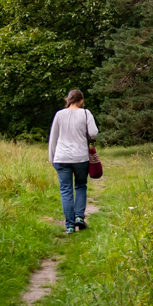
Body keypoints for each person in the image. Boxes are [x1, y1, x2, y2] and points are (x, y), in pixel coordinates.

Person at [48, 89, 98, 234]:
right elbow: (94, 133)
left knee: (66, 191)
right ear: (81, 101)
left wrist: (52, 159)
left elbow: (53, 138)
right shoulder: (85, 113)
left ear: (68, 100)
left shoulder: (59, 115)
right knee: (81, 186)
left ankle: (69, 226)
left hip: (61, 157)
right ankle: (79, 218)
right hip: (80, 157)